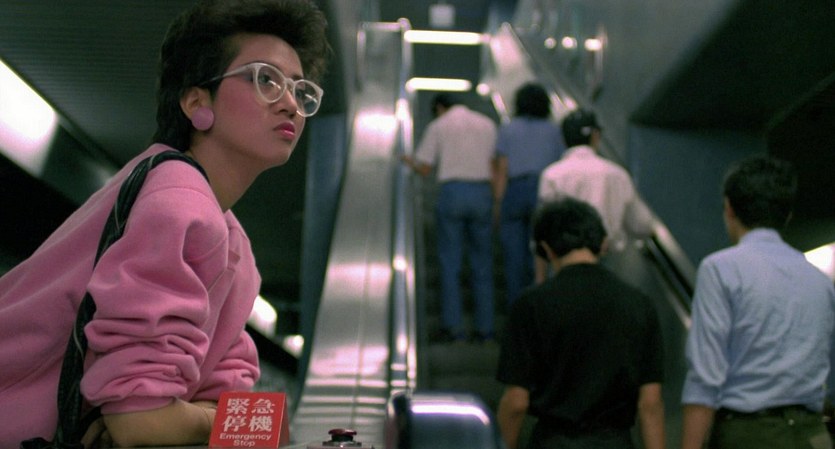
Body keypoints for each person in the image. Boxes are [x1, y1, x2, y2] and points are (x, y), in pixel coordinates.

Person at [0, 0, 331, 446]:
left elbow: (245, 410)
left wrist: (194, 416)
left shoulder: (233, 242)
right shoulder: (178, 199)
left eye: (300, 89)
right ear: (197, 102)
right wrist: (200, 417)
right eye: (266, 80)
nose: (290, 103)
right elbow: (144, 422)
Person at [680, 155, 835, 449]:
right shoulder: (819, 280)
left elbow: (705, 378)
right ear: (787, 214)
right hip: (814, 435)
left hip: (750, 434)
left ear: (729, 208)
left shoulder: (720, 269)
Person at [496, 197, 665, 449]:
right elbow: (650, 403)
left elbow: (516, 402)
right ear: (602, 245)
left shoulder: (530, 305)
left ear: (546, 249)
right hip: (614, 443)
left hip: (554, 443)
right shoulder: (639, 304)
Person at [401, 93, 498, 342]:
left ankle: (454, 329)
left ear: (439, 108)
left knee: (450, 263)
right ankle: (486, 329)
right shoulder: (487, 123)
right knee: (482, 264)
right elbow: (496, 163)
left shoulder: (439, 125)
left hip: (452, 193)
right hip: (482, 193)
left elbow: (425, 168)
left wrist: (407, 161)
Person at [536, 108, 654, 282]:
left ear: (563, 139)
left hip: (564, 261)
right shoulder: (617, 174)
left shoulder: (551, 175)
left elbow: (544, 227)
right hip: (608, 261)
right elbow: (642, 224)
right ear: (595, 136)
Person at [492, 82, 565, 307]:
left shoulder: (508, 129)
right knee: (542, 252)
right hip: (544, 190)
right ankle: (541, 306)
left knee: (513, 256)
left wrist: (498, 202)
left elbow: (502, 169)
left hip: (515, 190)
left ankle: (517, 308)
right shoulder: (554, 131)